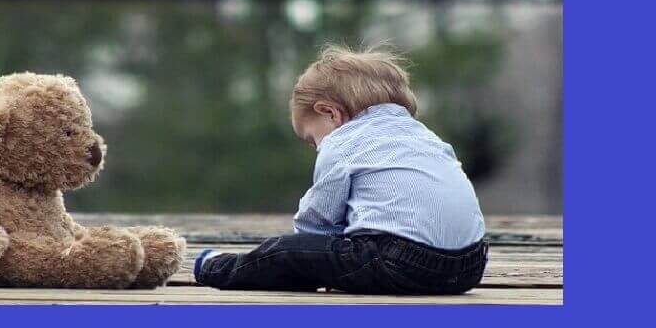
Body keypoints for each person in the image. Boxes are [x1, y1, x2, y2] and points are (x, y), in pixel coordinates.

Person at [195, 44, 488, 294]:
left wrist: (310, 256)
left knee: (284, 252)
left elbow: (317, 223)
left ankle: (214, 266)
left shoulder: (343, 142)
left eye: (312, 140)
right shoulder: (424, 135)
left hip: (399, 260)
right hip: (469, 266)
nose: (317, 148)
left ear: (330, 113)